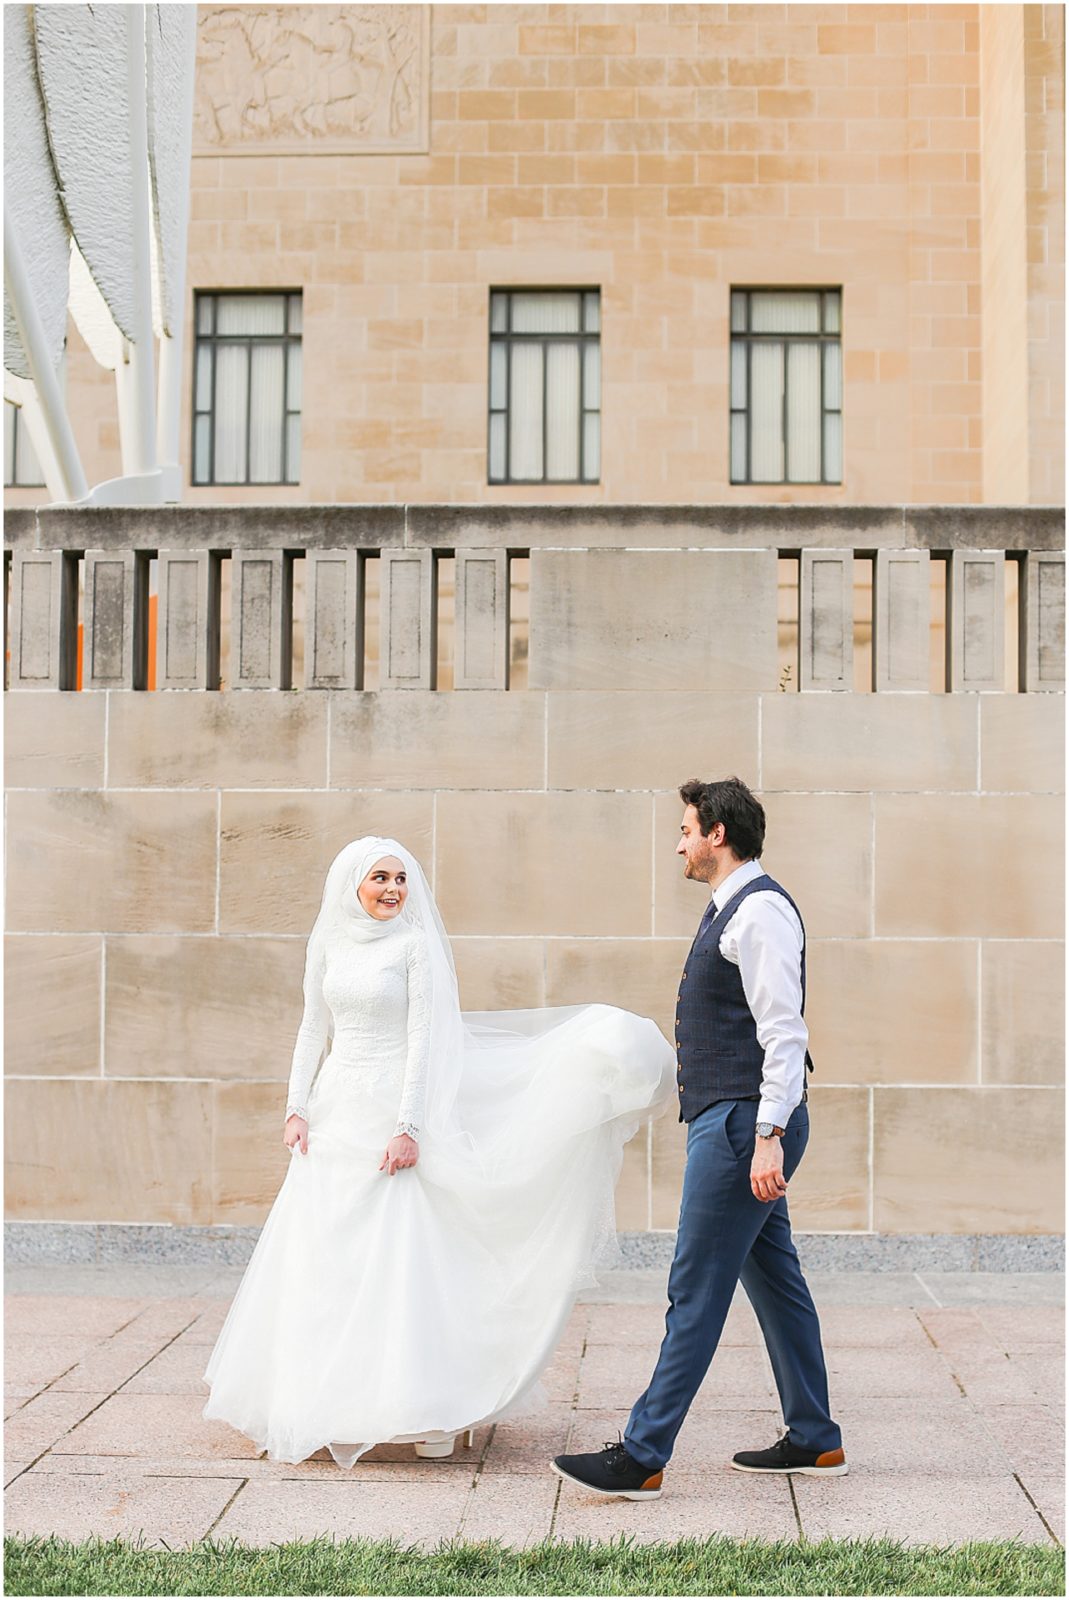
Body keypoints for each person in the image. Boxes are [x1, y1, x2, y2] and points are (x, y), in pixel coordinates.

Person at [202, 835, 675, 1467]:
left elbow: (425, 1038)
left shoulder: (413, 947)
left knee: (398, 1257)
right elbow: (314, 1026)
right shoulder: (330, 943)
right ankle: (323, 1400)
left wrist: (408, 1126)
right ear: (353, 886)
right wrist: (296, 1107)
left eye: (401, 877)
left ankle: (426, 1411)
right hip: (337, 1109)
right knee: (324, 1257)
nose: (393, 889)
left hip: (391, 1113)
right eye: (379, 878)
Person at [552, 778, 845, 1501]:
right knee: (774, 1282)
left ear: (717, 833)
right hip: (737, 1118)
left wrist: (768, 1136)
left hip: (745, 1122)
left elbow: (784, 1034)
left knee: (695, 1286)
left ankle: (642, 1453)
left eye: (685, 829)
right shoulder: (733, 910)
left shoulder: (761, 911)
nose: (679, 844)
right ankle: (813, 1437)